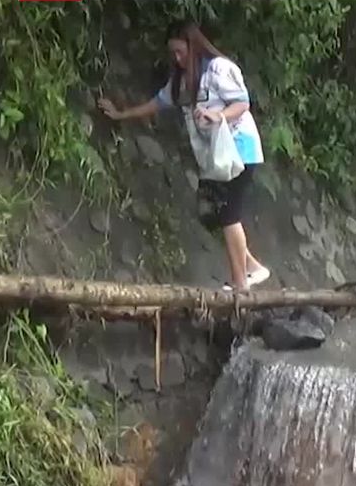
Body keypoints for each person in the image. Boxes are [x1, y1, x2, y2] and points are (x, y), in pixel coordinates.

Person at [98, 22, 269, 293]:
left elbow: (242, 102)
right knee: (213, 211)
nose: (177, 59)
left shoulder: (219, 69)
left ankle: (240, 285)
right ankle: (252, 267)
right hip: (216, 157)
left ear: (194, 46)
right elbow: (158, 103)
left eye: (181, 52)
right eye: (174, 54)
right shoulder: (182, 81)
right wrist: (122, 114)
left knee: (228, 212)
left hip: (240, 149)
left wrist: (218, 115)